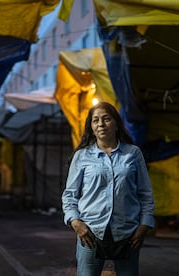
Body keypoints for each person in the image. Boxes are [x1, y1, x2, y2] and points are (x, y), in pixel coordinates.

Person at [61, 102, 155, 276]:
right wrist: (76, 223)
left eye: (106, 119)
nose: (101, 124)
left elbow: (145, 194)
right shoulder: (82, 156)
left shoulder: (133, 154)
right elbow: (70, 196)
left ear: (117, 124)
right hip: (90, 232)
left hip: (128, 233)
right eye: (95, 120)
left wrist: (144, 225)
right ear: (91, 126)